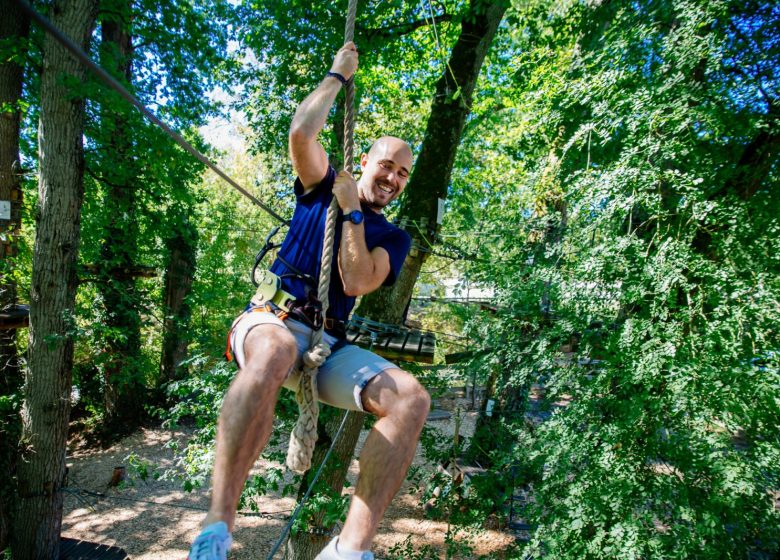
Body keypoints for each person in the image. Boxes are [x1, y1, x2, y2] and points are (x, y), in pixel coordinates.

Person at [187, 41, 431, 560]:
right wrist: (338, 75)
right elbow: (301, 133)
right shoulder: (321, 185)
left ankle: (349, 550)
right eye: (387, 165)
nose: (392, 178)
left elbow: (356, 280)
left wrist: (353, 212)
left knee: (412, 399)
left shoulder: (392, 237)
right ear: (364, 161)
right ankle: (216, 526)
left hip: (326, 346)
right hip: (272, 316)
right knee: (276, 351)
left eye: (402, 174)